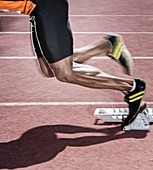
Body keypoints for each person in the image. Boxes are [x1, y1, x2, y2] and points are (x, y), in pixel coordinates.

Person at [0, 0, 146, 128]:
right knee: (48, 69)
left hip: (46, 5)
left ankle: (132, 88)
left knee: (65, 73)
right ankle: (106, 46)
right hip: (35, 11)